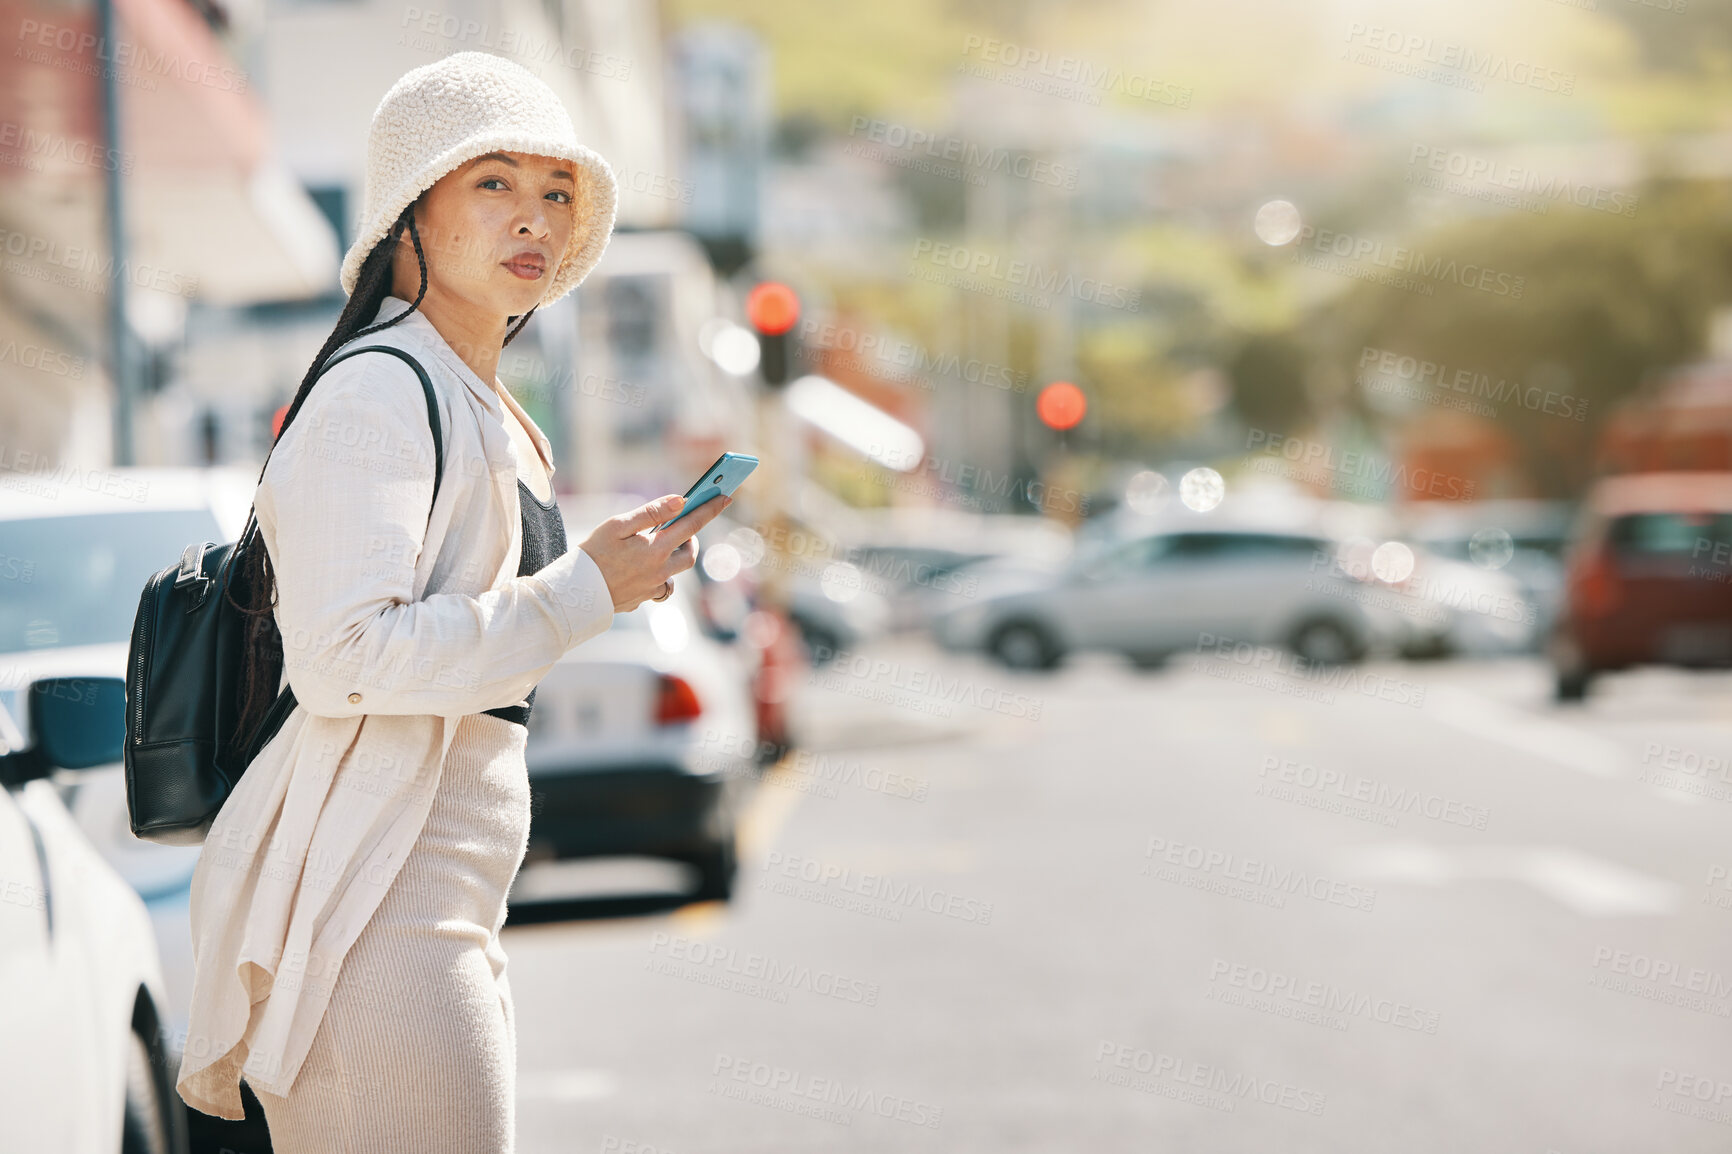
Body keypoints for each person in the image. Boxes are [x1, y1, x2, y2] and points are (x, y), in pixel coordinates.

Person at [173, 51, 730, 1152]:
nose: (535, 218)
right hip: (370, 915)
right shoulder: (380, 390)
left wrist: (600, 583)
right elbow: (342, 656)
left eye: (557, 193)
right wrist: (581, 589)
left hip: (437, 905)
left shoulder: (488, 410)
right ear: (406, 212)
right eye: (494, 183)